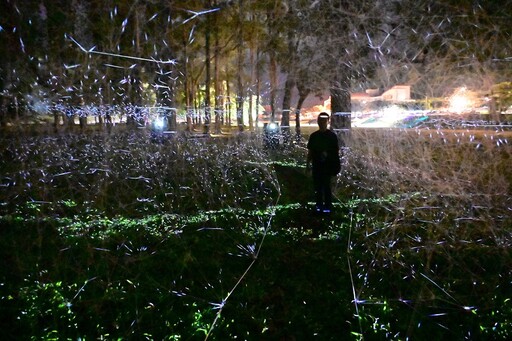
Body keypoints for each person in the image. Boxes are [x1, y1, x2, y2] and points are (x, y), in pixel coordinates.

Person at [306, 112, 340, 213]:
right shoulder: (314, 136)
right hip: (317, 166)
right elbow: (310, 152)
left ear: (327, 122)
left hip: (327, 166)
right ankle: (320, 205)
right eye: (321, 121)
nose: (322, 123)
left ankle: (326, 206)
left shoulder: (331, 136)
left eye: (324, 121)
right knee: (318, 186)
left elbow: (335, 152)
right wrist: (308, 164)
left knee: (326, 186)